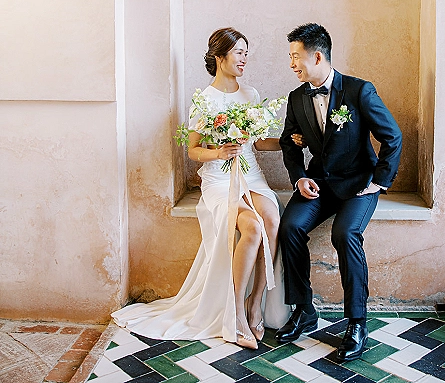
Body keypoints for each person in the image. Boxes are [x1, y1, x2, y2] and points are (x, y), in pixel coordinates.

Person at [112, 27, 300, 349]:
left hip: (250, 173)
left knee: (271, 219)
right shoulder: (204, 100)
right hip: (218, 177)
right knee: (251, 227)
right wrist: (219, 152)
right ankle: (236, 312)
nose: (244, 58)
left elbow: (258, 142)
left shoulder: (251, 95)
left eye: (245, 52)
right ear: (220, 57)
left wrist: (289, 141)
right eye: (239, 52)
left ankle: (256, 303)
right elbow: (193, 150)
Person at [276, 23, 402, 361]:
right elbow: (289, 143)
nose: (291, 64)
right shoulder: (297, 97)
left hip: (359, 186)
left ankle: (357, 322)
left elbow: (393, 136)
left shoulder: (360, 91)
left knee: (345, 235)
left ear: (317, 56)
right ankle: (304, 310)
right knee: (289, 227)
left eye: (295, 57)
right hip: (318, 183)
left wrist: (379, 181)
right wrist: (299, 176)